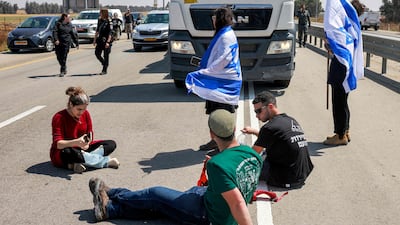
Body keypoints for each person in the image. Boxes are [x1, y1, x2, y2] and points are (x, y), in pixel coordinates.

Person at [88, 109, 262, 224]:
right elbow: (242, 182)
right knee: (164, 206)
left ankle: (112, 194)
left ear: (212, 133)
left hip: (208, 214)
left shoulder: (218, 164)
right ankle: (109, 210)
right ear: (234, 129)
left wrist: (215, 168)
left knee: (155, 194)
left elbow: (238, 202)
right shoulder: (251, 154)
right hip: (210, 199)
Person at [185, 7, 242, 152]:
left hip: (224, 81)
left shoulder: (225, 36)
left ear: (220, 19)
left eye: (215, 17)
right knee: (215, 112)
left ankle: (225, 144)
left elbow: (224, 60)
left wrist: (205, 72)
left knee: (222, 113)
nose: (213, 20)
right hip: (221, 78)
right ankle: (215, 140)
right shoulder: (224, 33)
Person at [241, 91, 313, 189]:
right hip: (301, 174)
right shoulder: (290, 120)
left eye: (258, 111)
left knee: (242, 164)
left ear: (270, 107)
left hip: (285, 177)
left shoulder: (269, 128)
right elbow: (276, 139)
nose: (256, 115)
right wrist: (254, 132)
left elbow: (252, 154)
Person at [322, 0, 364, 145]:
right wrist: (330, 45)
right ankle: (345, 131)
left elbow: (340, 49)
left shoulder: (344, 30)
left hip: (340, 70)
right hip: (345, 70)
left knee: (339, 102)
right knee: (343, 102)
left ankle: (340, 136)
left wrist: (330, 43)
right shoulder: (351, 29)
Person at [50, 86, 119, 173]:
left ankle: (75, 164)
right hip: (66, 149)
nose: (82, 112)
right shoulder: (59, 117)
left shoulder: (85, 114)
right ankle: (105, 162)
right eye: (79, 109)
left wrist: (87, 143)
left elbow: (90, 133)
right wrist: (76, 142)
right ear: (71, 104)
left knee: (111, 144)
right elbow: (58, 144)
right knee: (67, 152)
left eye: (84, 109)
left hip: (82, 149)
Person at [93, 8, 114, 75]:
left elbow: (110, 32)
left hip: (107, 39)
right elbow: (97, 30)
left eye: (101, 13)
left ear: (104, 13)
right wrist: (94, 40)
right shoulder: (99, 20)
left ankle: (104, 70)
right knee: (97, 53)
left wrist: (108, 42)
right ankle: (103, 62)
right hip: (100, 39)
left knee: (106, 55)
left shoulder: (109, 21)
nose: (100, 14)